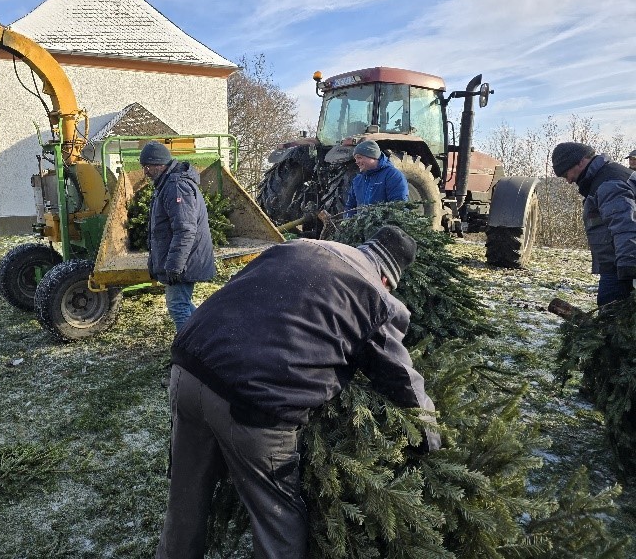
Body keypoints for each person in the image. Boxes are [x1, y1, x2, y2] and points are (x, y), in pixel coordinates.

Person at [156, 225, 440, 559]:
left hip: (188, 366)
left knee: (186, 495)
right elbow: (402, 378)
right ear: (387, 279)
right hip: (254, 403)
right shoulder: (375, 296)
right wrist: (429, 437)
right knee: (278, 520)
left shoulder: (298, 247)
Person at [140, 141, 215, 330]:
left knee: (178, 306)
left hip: (185, 261)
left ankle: (191, 347)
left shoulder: (176, 187)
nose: (145, 172)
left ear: (159, 164)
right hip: (183, 260)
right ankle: (208, 336)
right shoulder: (167, 185)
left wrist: (174, 266)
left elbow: (185, 229)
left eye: (147, 167)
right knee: (183, 304)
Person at [552, 141, 636, 306]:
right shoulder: (605, 177)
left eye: (566, 173)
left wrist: (629, 267)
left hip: (622, 267)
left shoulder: (608, 183)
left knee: (610, 314)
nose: (568, 181)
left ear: (580, 161)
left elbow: (625, 226)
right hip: (617, 263)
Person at [344, 140, 409, 217]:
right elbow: (350, 206)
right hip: (363, 224)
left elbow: (399, 206)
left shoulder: (392, 176)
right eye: (356, 159)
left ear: (372, 157)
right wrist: (347, 221)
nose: (356, 162)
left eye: (359, 157)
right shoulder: (357, 180)